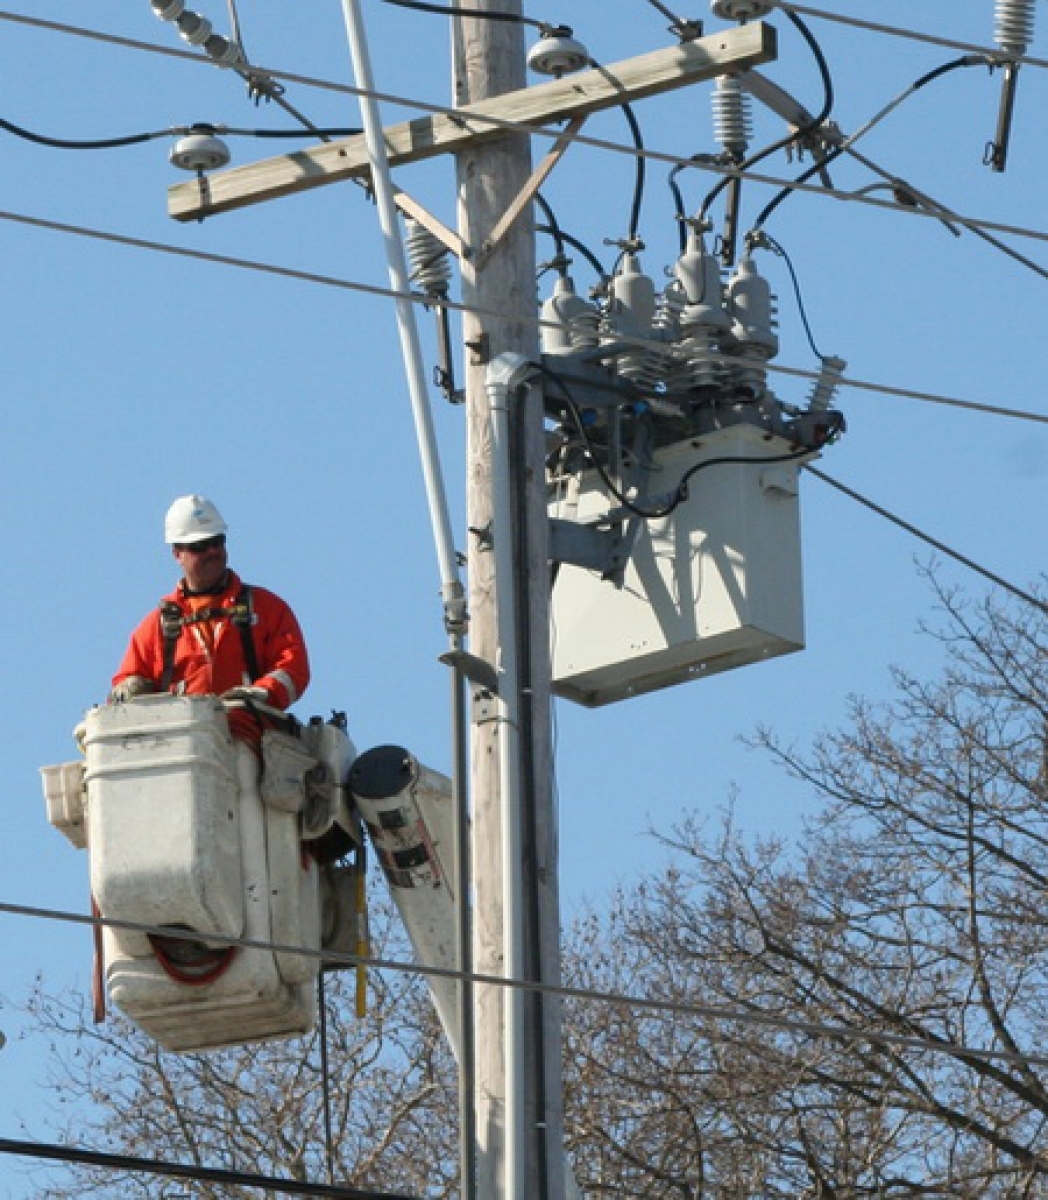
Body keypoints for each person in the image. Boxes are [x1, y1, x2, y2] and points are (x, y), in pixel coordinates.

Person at [110, 495, 310, 741]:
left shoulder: (266, 608)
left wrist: (263, 693)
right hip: (181, 744)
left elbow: (293, 667)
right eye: (199, 546)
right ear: (177, 553)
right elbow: (125, 687)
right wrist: (130, 689)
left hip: (250, 736)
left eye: (217, 542)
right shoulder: (156, 628)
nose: (212, 552)